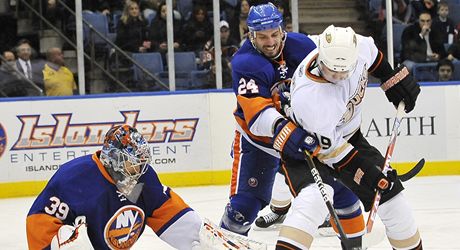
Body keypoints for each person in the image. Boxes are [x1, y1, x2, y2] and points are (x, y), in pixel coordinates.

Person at [220, 4, 365, 249]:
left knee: (344, 191)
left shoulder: (303, 47)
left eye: (274, 34)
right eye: (262, 36)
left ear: (282, 30)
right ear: (251, 35)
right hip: (261, 143)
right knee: (244, 206)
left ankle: (355, 245)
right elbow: (257, 114)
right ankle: (224, 244)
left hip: (306, 134)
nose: (270, 42)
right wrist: (288, 131)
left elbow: (331, 82)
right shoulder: (245, 62)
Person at [275, 25, 422, 250]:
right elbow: (331, 152)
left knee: (392, 196)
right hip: (308, 147)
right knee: (313, 200)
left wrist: (391, 79)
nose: (339, 76)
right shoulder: (312, 98)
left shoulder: (358, 46)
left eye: (345, 70)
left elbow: (375, 59)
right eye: (332, 70)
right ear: (320, 58)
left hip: (348, 136)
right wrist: (368, 173)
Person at [26, 124, 262, 249]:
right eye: (131, 164)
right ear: (112, 158)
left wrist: (204, 239)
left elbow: (166, 212)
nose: (138, 170)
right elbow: (38, 223)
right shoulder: (73, 179)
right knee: (73, 240)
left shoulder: (140, 179)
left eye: (140, 164)